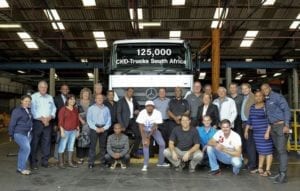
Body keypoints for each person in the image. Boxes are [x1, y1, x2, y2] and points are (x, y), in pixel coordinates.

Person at [261, 83, 291, 184]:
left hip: (281, 126)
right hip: (273, 127)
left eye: (266, 88)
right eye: (262, 89)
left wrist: (286, 125)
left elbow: (286, 110)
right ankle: (280, 173)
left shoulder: (277, 97)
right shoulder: (267, 99)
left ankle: (283, 175)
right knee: (278, 150)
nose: (264, 90)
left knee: (282, 151)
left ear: (269, 88)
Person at [245, 91, 273, 177]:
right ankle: (260, 168)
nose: (258, 97)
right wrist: (246, 130)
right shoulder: (252, 107)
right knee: (261, 151)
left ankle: (268, 170)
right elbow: (249, 120)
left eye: (260, 96)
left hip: (265, 132)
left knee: (268, 151)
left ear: (263, 97)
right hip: (256, 133)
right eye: (256, 96)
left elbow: (270, 120)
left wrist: (268, 132)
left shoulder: (266, 107)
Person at [30, 80, 57, 169]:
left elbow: (54, 108)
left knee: (47, 142)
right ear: (38, 88)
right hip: (37, 122)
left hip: (48, 123)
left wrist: (50, 117)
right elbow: (32, 110)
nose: (43, 88)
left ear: (47, 88)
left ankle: (45, 161)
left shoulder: (49, 97)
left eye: (45, 87)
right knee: (35, 142)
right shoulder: (33, 97)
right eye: (42, 87)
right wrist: (42, 119)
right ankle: (33, 163)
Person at [136, 100, 169, 171]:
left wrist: (149, 136)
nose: (150, 108)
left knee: (162, 144)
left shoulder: (157, 113)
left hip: (153, 130)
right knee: (145, 144)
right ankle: (145, 164)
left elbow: (155, 126)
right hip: (144, 130)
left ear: (153, 107)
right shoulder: (142, 113)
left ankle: (161, 162)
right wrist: (145, 138)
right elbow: (140, 126)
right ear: (145, 107)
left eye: (151, 106)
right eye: (148, 106)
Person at [8, 95, 33, 175]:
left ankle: (19, 167)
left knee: (22, 151)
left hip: (28, 134)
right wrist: (10, 134)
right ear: (21, 101)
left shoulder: (29, 110)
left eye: (29, 101)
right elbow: (12, 123)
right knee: (26, 149)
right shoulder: (17, 111)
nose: (27, 103)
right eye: (26, 101)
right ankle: (22, 168)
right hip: (19, 133)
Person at [87, 94, 111, 168]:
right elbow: (89, 120)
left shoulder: (106, 109)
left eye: (101, 98)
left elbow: (109, 120)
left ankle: (103, 162)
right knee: (92, 146)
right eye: (98, 98)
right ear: (95, 99)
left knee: (103, 146)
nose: (100, 99)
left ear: (103, 99)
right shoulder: (91, 108)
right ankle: (91, 162)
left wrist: (104, 128)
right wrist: (96, 128)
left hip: (104, 128)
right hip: (94, 128)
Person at [117, 88, 141, 158]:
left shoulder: (133, 100)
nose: (131, 93)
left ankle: (133, 153)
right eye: (130, 91)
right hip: (124, 122)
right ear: (126, 92)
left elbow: (139, 107)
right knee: (123, 138)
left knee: (139, 136)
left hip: (132, 121)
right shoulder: (121, 101)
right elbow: (118, 113)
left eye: (132, 92)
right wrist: (121, 125)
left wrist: (137, 110)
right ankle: (122, 154)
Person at [57, 94, 79, 169]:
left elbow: (77, 121)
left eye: (73, 99)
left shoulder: (75, 109)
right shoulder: (63, 109)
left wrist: (78, 130)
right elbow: (60, 121)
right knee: (62, 146)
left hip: (73, 131)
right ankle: (61, 163)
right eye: (70, 99)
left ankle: (70, 162)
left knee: (71, 147)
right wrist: (62, 131)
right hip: (65, 131)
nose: (72, 100)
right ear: (67, 100)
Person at [240, 83, 256, 172]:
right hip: (244, 123)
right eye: (242, 89)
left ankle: (252, 165)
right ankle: (251, 163)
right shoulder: (245, 98)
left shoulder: (253, 98)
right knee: (248, 145)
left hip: (249, 124)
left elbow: (253, 113)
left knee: (251, 145)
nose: (244, 90)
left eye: (246, 89)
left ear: (250, 89)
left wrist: (249, 125)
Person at [76, 87, 92, 164]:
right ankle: (81, 157)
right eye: (84, 93)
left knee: (88, 139)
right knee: (80, 140)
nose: (86, 95)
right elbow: (75, 112)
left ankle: (88, 156)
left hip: (89, 124)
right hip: (80, 123)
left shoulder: (91, 102)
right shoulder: (78, 102)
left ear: (89, 95)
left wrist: (89, 122)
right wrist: (81, 120)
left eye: (87, 94)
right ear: (81, 94)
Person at [53, 84, 70, 160]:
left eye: (66, 89)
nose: (65, 90)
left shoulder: (70, 99)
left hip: (69, 124)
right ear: (61, 90)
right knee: (58, 140)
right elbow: (54, 112)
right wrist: (55, 124)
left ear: (68, 90)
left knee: (67, 140)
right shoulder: (56, 99)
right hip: (59, 123)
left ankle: (65, 157)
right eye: (63, 89)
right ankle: (57, 157)